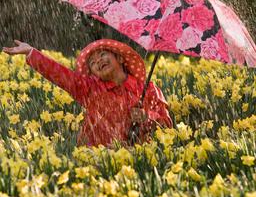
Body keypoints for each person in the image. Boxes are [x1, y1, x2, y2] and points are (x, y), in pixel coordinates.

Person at [3, 39, 172, 147]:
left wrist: (147, 117)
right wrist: (32, 53)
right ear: (93, 74)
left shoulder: (148, 89)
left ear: (120, 59)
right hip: (96, 161)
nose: (98, 61)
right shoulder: (89, 89)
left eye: (103, 54)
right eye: (92, 62)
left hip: (139, 160)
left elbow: (167, 125)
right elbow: (61, 75)